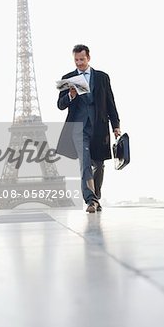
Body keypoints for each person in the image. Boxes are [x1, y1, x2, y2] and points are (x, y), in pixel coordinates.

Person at [57, 44, 121, 213]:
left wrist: (116, 126)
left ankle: (96, 196)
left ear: (89, 58)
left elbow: (110, 102)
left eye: (82, 59)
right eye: (76, 60)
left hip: (99, 127)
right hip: (78, 128)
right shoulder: (68, 78)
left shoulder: (102, 77)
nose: (79, 63)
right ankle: (90, 200)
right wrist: (70, 95)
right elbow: (60, 105)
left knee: (99, 165)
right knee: (85, 163)